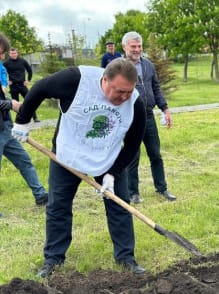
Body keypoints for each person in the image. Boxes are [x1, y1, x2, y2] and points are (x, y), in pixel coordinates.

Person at [12, 58, 147, 278]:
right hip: (68, 155)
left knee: (119, 206)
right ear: (105, 80)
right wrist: (22, 121)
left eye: (128, 92)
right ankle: (53, 260)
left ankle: (126, 258)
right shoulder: (76, 80)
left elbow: (133, 143)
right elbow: (40, 88)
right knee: (58, 207)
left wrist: (113, 173)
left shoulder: (135, 104)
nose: (124, 97)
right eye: (119, 91)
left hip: (107, 158)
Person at [122, 31, 176, 203]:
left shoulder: (148, 66)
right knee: (132, 156)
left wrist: (165, 109)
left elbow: (156, 88)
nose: (137, 49)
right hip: (130, 118)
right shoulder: (119, 67)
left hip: (149, 116)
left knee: (155, 154)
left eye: (139, 46)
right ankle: (133, 193)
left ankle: (162, 188)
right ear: (125, 47)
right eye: (133, 46)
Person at [0, 32, 48, 209]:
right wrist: (10, 104)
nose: (3, 56)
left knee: (24, 160)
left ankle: (41, 195)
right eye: (1, 52)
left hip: (5, 127)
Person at [3, 48, 39, 122]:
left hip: (23, 85)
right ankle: (19, 120)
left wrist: (28, 80)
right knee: (15, 105)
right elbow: (1, 72)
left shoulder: (22, 61)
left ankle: (35, 117)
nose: (14, 55)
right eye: (12, 54)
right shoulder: (6, 63)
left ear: (17, 53)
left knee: (30, 101)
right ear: (9, 54)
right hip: (13, 86)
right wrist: (6, 81)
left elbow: (29, 70)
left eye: (15, 53)